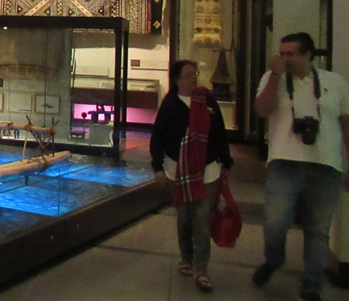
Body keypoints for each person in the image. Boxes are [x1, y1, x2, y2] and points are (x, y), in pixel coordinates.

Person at [252, 32, 349, 301]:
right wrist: (275, 76)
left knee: (318, 230)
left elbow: (346, 124)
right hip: (284, 163)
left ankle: (311, 283)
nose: (285, 59)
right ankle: (274, 259)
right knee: (275, 223)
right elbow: (262, 110)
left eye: (291, 54)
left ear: (308, 55)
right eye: (282, 53)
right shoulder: (272, 79)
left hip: (326, 165)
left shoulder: (335, 82)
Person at [150, 59, 233, 293]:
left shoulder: (207, 101)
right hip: (177, 169)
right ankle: (186, 257)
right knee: (185, 218)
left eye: (194, 73)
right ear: (177, 79)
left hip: (207, 169)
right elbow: (158, 137)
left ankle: (201, 269)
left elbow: (219, 133)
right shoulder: (170, 105)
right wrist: (157, 167)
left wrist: (226, 161)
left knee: (202, 219)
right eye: (188, 74)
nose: (193, 78)